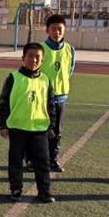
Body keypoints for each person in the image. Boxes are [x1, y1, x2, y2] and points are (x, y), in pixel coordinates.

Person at [0, 43, 56, 203]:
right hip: (17, 127)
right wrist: (3, 125)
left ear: (42, 60)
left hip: (39, 128)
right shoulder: (13, 78)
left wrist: (51, 126)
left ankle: (44, 191)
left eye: (37, 57)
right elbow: (4, 102)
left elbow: (50, 105)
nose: (34, 59)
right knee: (16, 161)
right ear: (23, 57)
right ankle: (16, 189)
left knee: (42, 162)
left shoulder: (45, 80)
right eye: (30, 56)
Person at [38, 14, 76, 173]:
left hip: (60, 97)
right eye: (53, 29)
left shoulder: (70, 49)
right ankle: (33, 160)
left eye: (60, 29)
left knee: (57, 131)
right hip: (41, 96)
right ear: (47, 30)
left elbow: (70, 71)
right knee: (38, 129)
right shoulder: (40, 48)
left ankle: (53, 160)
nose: (57, 32)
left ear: (64, 30)